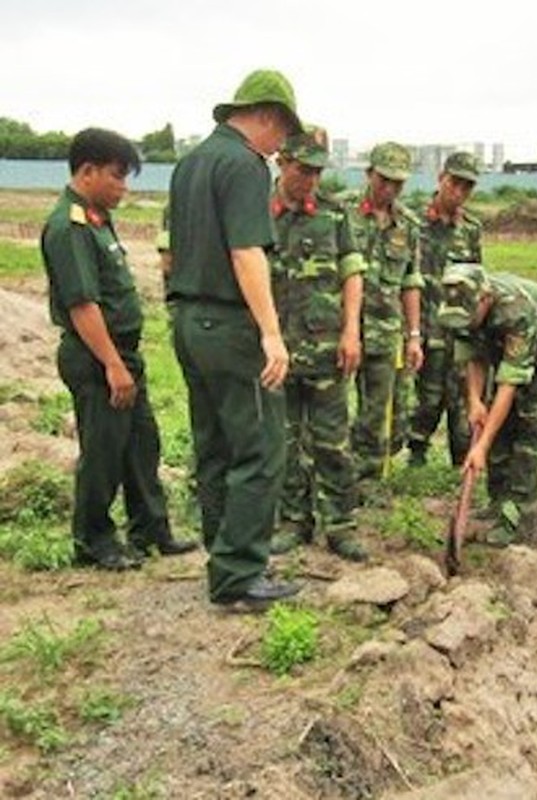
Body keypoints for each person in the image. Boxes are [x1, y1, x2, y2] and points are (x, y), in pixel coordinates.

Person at [167, 69, 303, 607]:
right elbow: (246, 253)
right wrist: (271, 334)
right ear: (267, 116)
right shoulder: (245, 166)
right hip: (228, 326)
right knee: (262, 447)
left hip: (188, 320)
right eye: (282, 134)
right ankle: (240, 574)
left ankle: (224, 554)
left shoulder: (191, 162)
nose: (280, 148)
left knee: (216, 445)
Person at [40, 128, 196, 571]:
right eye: (117, 176)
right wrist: (112, 364)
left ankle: (151, 529)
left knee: (141, 444)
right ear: (87, 172)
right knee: (104, 451)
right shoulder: (69, 226)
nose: (124, 187)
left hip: (122, 355)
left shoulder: (96, 218)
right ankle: (93, 539)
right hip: (97, 358)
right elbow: (83, 305)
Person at [265, 126, 368, 561]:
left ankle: (341, 524)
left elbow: (352, 272)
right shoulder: (255, 210)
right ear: (282, 162)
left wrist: (350, 331)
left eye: (317, 172)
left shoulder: (334, 213)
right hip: (278, 350)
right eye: (303, 170)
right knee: (285, 441)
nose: (311, 180)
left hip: (326, 348)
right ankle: (294, 520)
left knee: (332, 440)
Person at [434, 263, 537, 544]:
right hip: (498, 344)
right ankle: (497, 500)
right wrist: (474, 401)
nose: (465, 322)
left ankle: (519, 508)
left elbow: (509, 384)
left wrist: (480, 447)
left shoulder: (517, 312)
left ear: (485, 300)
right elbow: (473, 356)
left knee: (528, 422)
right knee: (496, 422)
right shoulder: (460, 307)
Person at [403, 151, 483, 468]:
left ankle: (460, 460)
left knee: (462, 400)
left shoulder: (471, 229)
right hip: (424, 327)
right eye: (455, 183)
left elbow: (476, 279)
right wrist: (411, 332)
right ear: (441, 178)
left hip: (459, 331)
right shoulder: (414, 222)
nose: (459, 192)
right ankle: (417, 453)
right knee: (427, 400)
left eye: (467, 187)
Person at [347, 141, 420, 483]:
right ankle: (324, 477)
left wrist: (414, 335)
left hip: (383, 332)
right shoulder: (341, 212)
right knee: (327, 408)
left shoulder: (408, 225)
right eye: (383, 180)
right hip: (339, 329)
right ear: (369, 173)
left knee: (378, 411)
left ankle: (369, 480)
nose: (389, 189)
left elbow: (411, 282)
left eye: (398, 183)